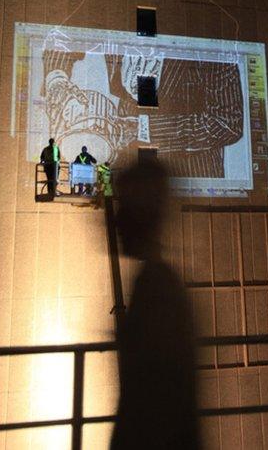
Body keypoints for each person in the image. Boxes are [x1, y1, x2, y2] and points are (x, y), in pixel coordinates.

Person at [111, 159, 200, 450]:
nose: (117, 220)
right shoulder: (156, 280)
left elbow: (154, 403)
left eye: (124, 207)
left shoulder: (156, 287)